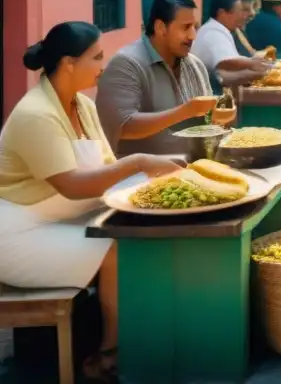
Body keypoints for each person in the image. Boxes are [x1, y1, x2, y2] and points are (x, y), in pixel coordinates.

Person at [0, 23, 184, 378]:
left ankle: (140, 337)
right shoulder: (35, 114)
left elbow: (105, 168)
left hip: (63, 221)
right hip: (18, 237)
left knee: (138, 231)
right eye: (97, 56)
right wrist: (141, 162)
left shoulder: (82, 104)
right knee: (116, 247)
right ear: (69, 63)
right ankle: (109, 352)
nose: (105, 62)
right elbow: (71, 185)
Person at [96, 0, 215, 156]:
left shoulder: (194, 64)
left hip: (195, 171)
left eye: (195, 27)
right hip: (141, 177)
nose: (192, 35)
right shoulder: (126, 64)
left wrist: (218, 115)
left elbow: (206, 120)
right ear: (161, 28)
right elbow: (122, 126)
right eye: (186, 27)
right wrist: (185, 112)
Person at [192, 0, 271, 91]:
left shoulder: (224, 30)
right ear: (222, 13)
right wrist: (253, 65)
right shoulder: (213, 32)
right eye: (240, 11)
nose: (244, 16)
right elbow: (225, 62)